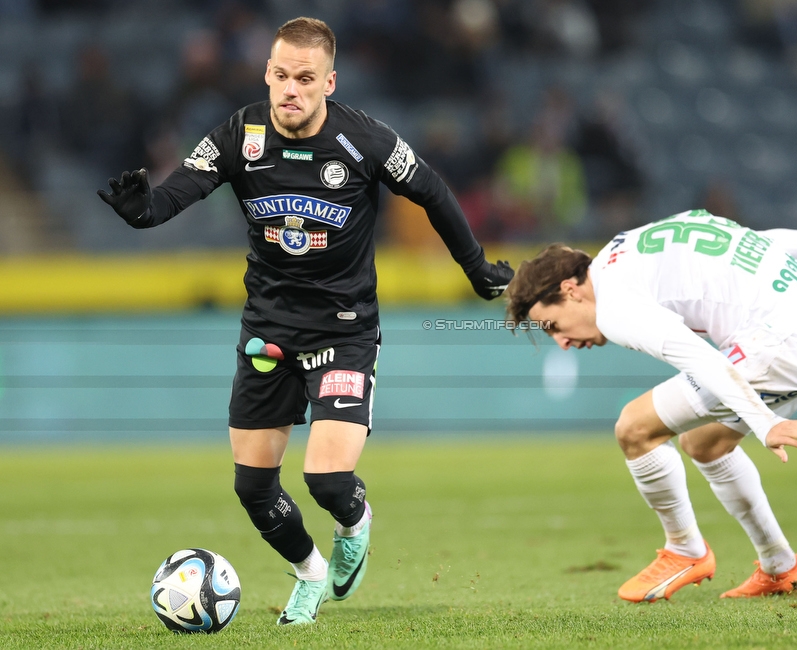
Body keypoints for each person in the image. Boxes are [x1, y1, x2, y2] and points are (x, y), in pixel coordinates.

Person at [97, 17, 513, 625]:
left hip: (343, 331)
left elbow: (433, 191)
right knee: (253, 489)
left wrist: (475, 268)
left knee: (325, 478)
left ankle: (355, 519)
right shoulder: (242, 133)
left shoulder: (365, 141)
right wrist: (143, 211)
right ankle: (309, 571)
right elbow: (176, 193)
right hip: (268, 330)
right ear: (268, 72)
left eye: (305, 78)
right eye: (281, 75)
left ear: (329, 82)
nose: (290, 89)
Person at [504, 209, 797, 602]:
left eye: (552, 325)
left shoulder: (615, 308)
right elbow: (771, 242)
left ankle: (684, 550)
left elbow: (703, 359)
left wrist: (764, 424)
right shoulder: (625, 251)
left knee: (634, 428)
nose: (561, 342)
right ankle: (782, 568)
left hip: (786, 342)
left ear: (570, 289)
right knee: (703, 444)